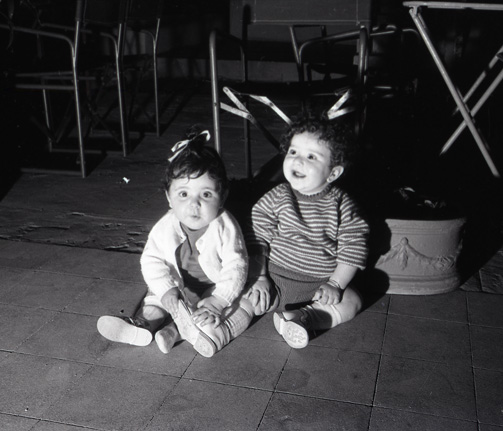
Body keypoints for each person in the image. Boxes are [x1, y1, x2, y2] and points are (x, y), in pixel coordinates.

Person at [97, 130, 253, 357]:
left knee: (236, 305)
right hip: (178, 287)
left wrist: (218, 300)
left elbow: (236, 265)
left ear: (222, 196)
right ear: (169, 197)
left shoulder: (225, 226)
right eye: (183, 194)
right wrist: (166, 289)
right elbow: (151, 260)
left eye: (206, 194)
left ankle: (177, 331)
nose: (194, 204)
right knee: (155, 299)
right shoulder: (166, 226)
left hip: (213, 287)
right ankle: (144, 323)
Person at [245, 116, 369, 348]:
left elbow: (353, 248)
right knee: (246, 299)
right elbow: (257, 236)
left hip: (319, 286)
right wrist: (259, 277)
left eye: (311, 156)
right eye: (293, 152)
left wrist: (336, 284)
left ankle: (300, 318)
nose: (297, 160)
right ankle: (220, 328)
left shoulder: (342, 205)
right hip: (274, 280)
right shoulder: (277, 196)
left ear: (333, 173)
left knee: (353, 301)